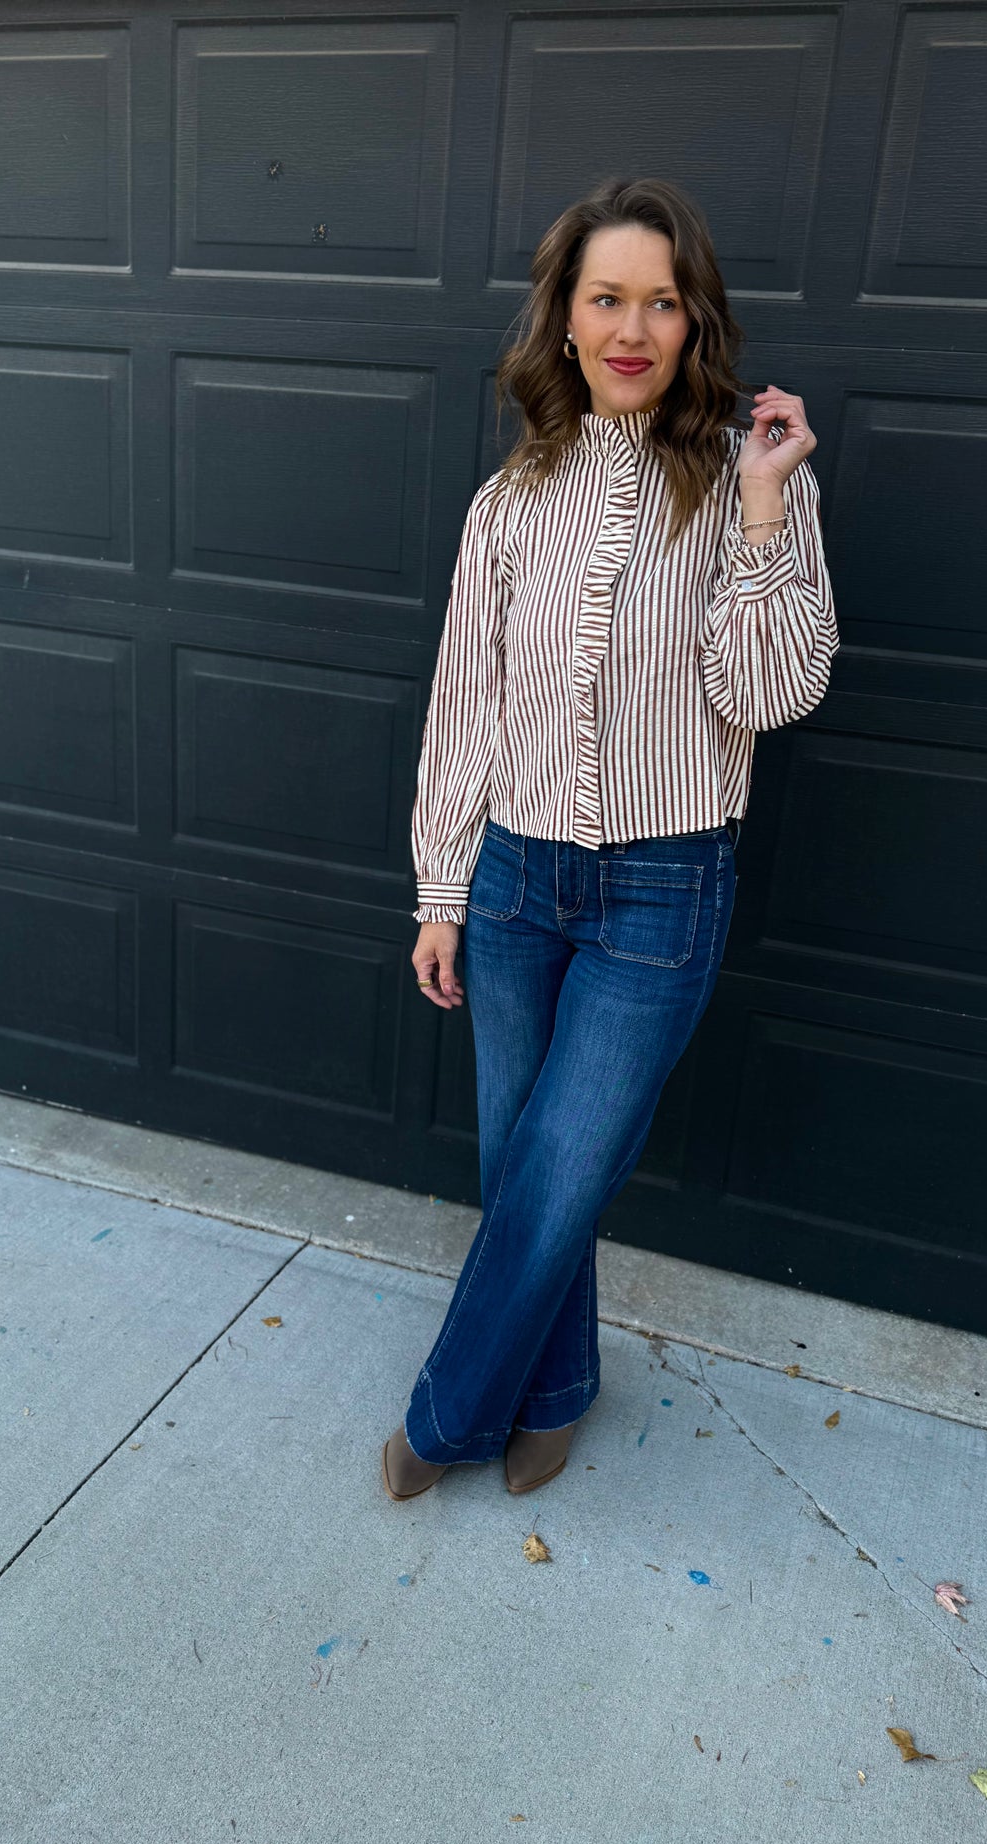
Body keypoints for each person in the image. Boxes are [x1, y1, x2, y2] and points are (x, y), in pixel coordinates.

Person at [382, 177, 839, 1502]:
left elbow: (770, 697)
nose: (632, 326)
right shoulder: (508, 502)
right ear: (566, 321)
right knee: (519, 1165)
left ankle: (442, 1419)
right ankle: (558, 1391)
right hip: (517, 879)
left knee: (565, 1158)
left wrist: (760, 514)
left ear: (693, 320)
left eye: (659, 300)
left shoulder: (752, 484)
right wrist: (441, 891)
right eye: (605, 298)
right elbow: (463, 706)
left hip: (662, 888)